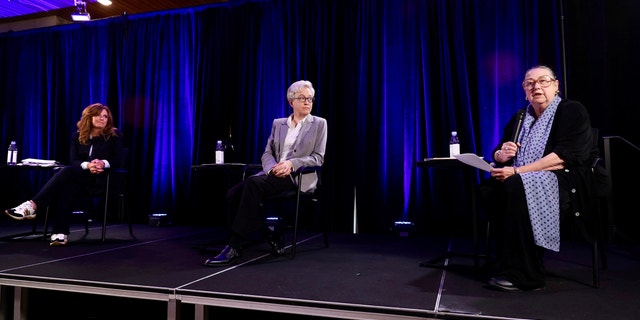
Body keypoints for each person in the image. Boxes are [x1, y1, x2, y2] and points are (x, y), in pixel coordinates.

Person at [482, 65, 599, 291]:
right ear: (524, 90)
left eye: (543, 81)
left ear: (556, 86)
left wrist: (517, 172)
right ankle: (508, 261)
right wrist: (501, 154)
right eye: (530, 83)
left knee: (516, 186)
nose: (537, 87)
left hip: (565, 179)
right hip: (522, 177)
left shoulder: (571, 110)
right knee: (489, 189)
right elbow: (499, 151)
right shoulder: (520, 117)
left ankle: (527, 274)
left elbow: (565, 156)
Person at [204, 80, 327, 266]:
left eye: (310, 98)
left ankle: (235, 246)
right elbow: (267, 152)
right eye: (302, 98)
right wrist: (271, 168)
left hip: (296, 178)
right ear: (291, 101)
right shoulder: (279, 124)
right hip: (272, 174)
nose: (307, 102)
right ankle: (268, 231)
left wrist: (291, 164)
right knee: (232, 195)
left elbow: (318, 158)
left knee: (253, 184)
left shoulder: (319, 124)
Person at [5, 103, 125, 246]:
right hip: (81, 180)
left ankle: (32, 206)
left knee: (66, 174)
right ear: (88, 117)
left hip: (103, 181)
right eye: (98, 115)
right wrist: (88, 165)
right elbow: (74, 160)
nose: (102, 118)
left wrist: (102, 164)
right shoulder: (77, 137)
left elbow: (119, 160)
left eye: (105, 116)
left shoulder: (114, 136)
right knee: (67, 185)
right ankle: (59, 233)